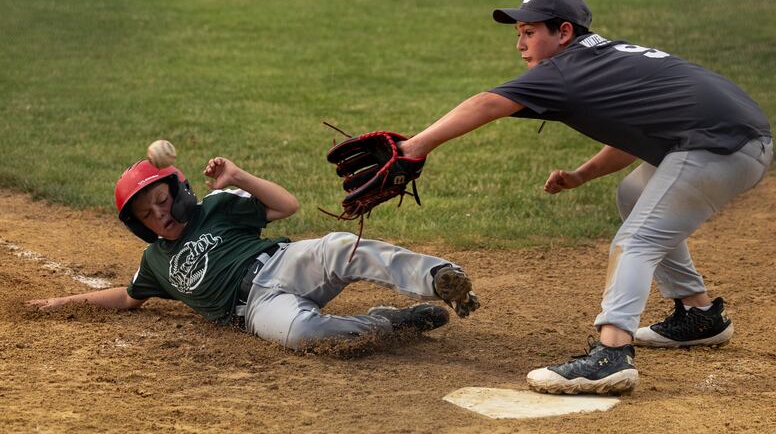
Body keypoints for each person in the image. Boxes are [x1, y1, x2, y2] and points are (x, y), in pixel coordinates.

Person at [397, 0, 772, 394]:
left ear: (562, 32)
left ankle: (612, 354)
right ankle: (699, 315)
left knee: (636, 241)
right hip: (735, 141)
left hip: (719, 148)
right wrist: (580, 175)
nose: (521, 44)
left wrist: (414, 147)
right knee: (633, 196)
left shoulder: (566, 68)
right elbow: (632, 134)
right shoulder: (606, 57)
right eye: (518, 34)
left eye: (529, 32)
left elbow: (487, 104)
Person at [26, 157, 479, 350]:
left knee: (341, 246)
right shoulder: (155, 264)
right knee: (304, 334)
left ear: (178, 191)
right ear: (139, 227)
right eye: (147, 214)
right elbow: (126, 298)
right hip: (256, 309)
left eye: (161, 200)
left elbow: (287, 207)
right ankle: (391, 321)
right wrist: (61, 303)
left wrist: (239, 176)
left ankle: (438, 275)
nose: (159, 214)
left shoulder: (217, 208)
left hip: (282, 260)